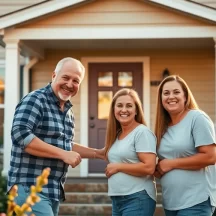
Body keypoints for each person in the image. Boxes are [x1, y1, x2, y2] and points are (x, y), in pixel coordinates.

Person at [7, 57, 105, 216]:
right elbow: (20, 135)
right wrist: (63, 154)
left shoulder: (67, 111)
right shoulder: (36, 99)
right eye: (65, 77)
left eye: (76, 80)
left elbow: (64, 144)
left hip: (52, 191)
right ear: (54, 76)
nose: (70, 84)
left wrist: (98, 153)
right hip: (29, 188)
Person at [154, 75, 216, 216]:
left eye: (176, 92)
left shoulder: (197, 118)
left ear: (185, 96)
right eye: (166, 93)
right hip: (171, 202)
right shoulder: (162, 127)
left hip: (196, 201)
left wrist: (171, 164)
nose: (171, 96)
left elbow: (211, 156)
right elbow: (162, 165)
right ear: (161, 99)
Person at [104, 88, 157, 216]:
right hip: (117, 199)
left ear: (136, 110)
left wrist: (118, 167)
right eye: (119, 105)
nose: (124, 110)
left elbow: (149, 167)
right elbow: (102, 153)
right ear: (113, 109)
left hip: (137, 197)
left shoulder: (141, 132)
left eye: (129, 106)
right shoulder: (117, 135)